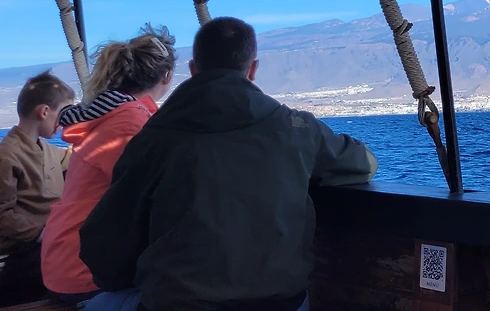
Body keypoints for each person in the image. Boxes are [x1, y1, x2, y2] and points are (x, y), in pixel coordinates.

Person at [80, 17, 378, 311]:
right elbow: (363, 163)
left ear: (193, 69)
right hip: (280, 304)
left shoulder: (152, 140)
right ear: (253, 69)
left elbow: (104, 241)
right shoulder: (298, 128)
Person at [41, 26, 176, 305]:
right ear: (167, 76)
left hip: (64, 257)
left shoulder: (111, 114)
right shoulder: (129, 123)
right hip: (86, 271)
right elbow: (154, 196)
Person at [0, 71, 75, 305]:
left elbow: (71, 157)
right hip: (25, 252)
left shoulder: (46, 148)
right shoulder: (7, 156)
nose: (65, 122)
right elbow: (2, 216)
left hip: (49, 243)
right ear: (44, 112)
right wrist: (45, 233)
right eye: (64, 113)